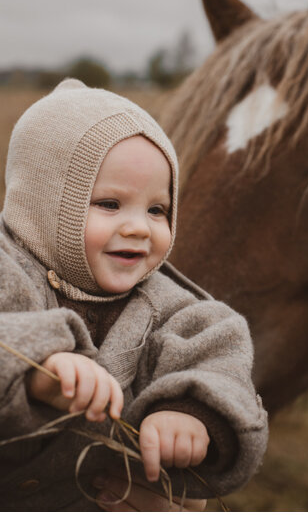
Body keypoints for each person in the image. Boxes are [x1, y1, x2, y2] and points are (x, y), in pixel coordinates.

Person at [0, 79, 268, 511]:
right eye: (110, 204)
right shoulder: (7, 271)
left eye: (157, 210)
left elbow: (218, 355)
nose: (140, 227)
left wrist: (190, 412)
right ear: (42, 203)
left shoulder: (168, 305)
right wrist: (36, 367)